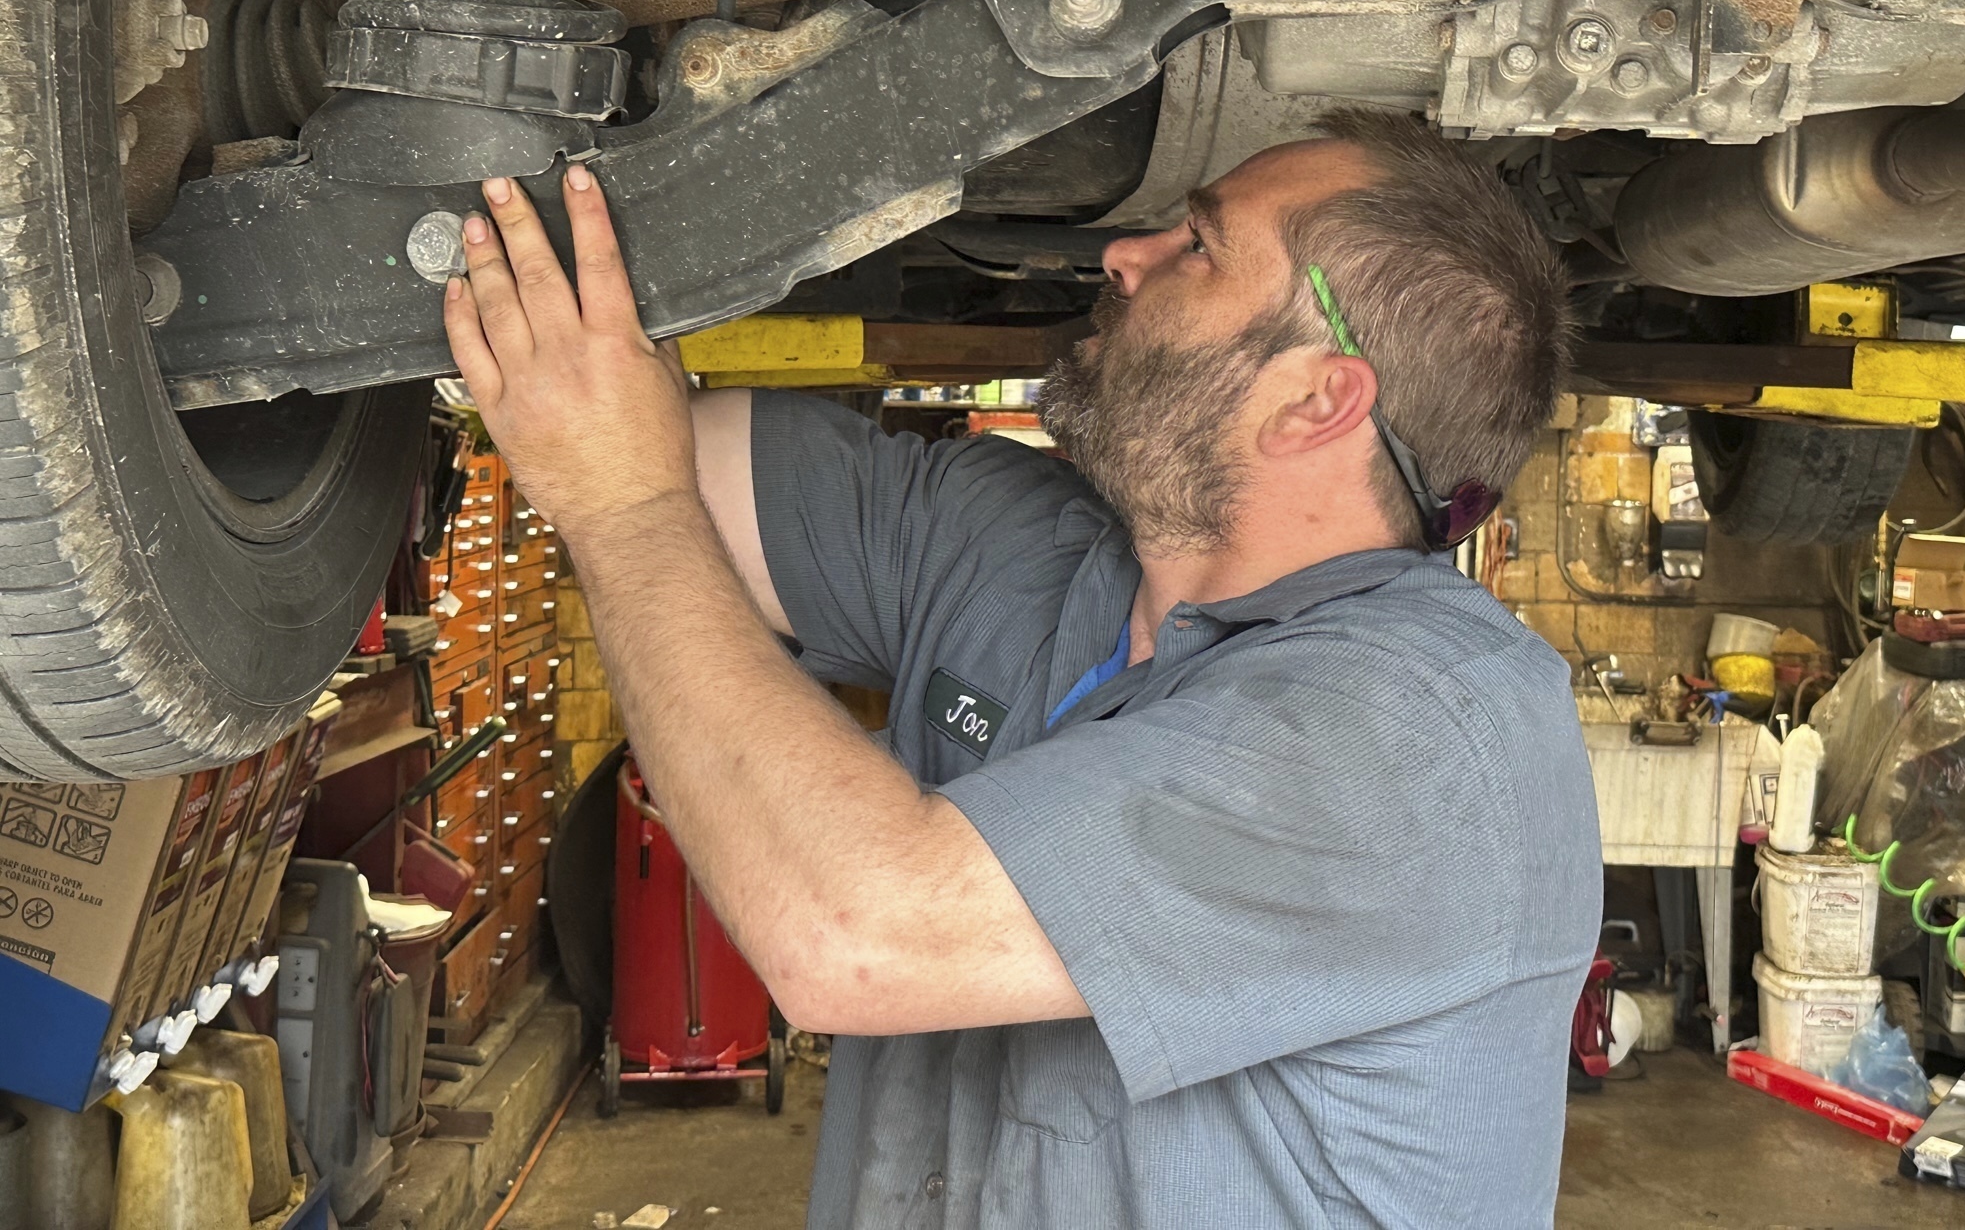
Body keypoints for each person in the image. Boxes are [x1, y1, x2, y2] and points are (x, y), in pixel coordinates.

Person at [442, 105, 1602, 1229]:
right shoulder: (1021, 546)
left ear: (1314, 400)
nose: (1125, 253)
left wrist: (626, 508)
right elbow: (619, 427)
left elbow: (861, 935)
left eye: (1198, 245)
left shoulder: (1420, 742)